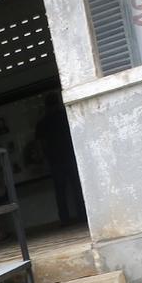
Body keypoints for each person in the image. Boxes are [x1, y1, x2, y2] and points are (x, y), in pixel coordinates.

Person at [35, 93, 86, 225]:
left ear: (46, 106)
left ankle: (64, 219)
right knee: (77, 188)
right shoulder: (66, 116)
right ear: (58, 103)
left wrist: (45, 160)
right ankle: (83, 215)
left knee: (60, 191)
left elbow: (41, 145)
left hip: (55, 160)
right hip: (70, 156)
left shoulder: (42, 123)